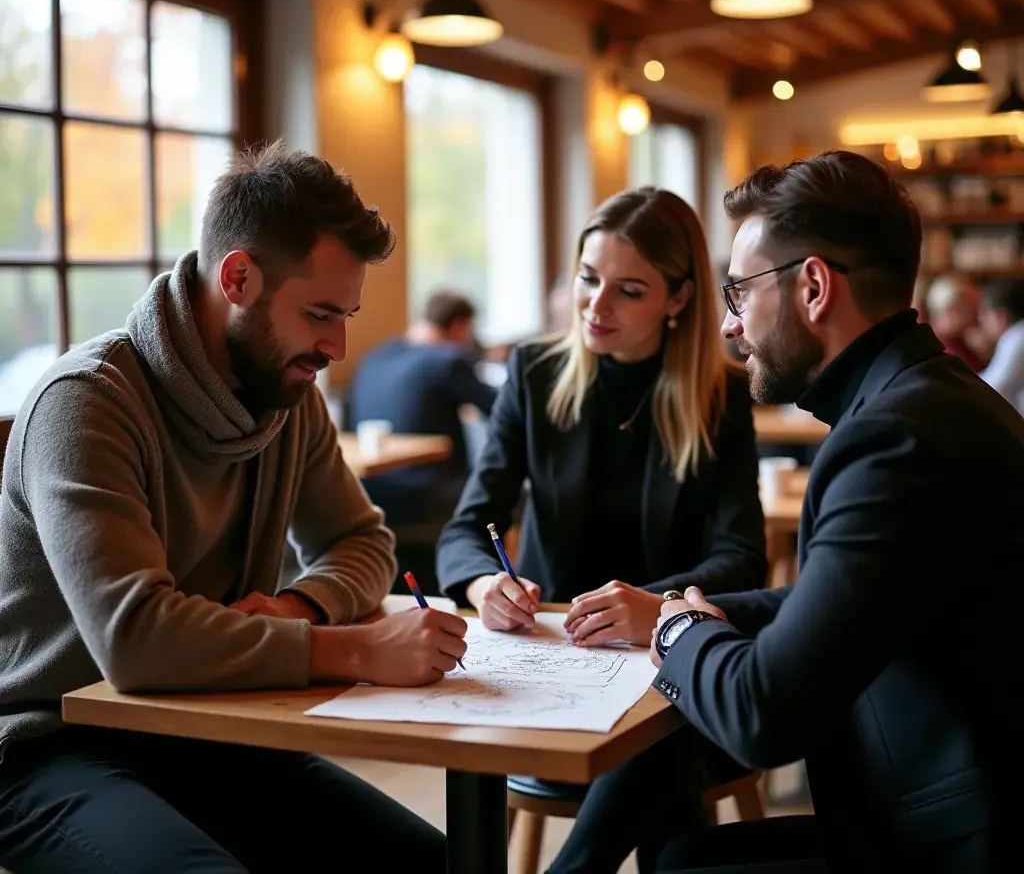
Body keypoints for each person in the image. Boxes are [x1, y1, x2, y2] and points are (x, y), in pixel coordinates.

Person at [0, 142, 467, 874]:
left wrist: (302, 611)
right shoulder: (85, 403)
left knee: (433, 865)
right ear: (239, 276)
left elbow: (362, 542)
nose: (337, 346)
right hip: (48, 746)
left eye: (346, 315)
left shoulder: (287, 396)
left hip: (205, 726)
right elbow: (136, 639)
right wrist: (350, 648)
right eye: (320, 313)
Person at [650, 151, 1024, 873]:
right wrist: (693, 610)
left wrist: (681, 636)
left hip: (953, 841)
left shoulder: (893, 439)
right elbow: (853, 599)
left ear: (814, 287)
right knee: (681, 851)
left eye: (737, 293)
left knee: (679, 863)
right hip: (954, 810)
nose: (729, 327)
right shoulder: (933, 398)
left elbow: (764, 717)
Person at [437, 187, 766, 874]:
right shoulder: (535, 374)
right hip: (555, 664)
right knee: (662, 768)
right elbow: (469, 525)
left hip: (671, 660)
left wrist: (658, 608)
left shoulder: (721, 393)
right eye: (588, 279)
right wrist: (482, 582)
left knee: (661, 728)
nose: (595, 305)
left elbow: (742, 558)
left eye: (629, 290)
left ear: (678, 299)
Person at [348, 290, 498, 593]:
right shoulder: (448, 359)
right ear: (459, 327)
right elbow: (505, 411)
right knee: (507, 493)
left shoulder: (373, 358)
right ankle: (490, 588)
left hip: (369, 494)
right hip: (427, 494)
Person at [977, 277, 1024, 415]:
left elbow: (994, 389)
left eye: (985, 314)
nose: (981, 321)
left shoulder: (1017, 336)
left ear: (1000, 317)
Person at [925, 273, 985, 371]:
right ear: (951, 309)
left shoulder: (962, 339)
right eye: (969, 306)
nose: (977, 313)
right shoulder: (941, 347)